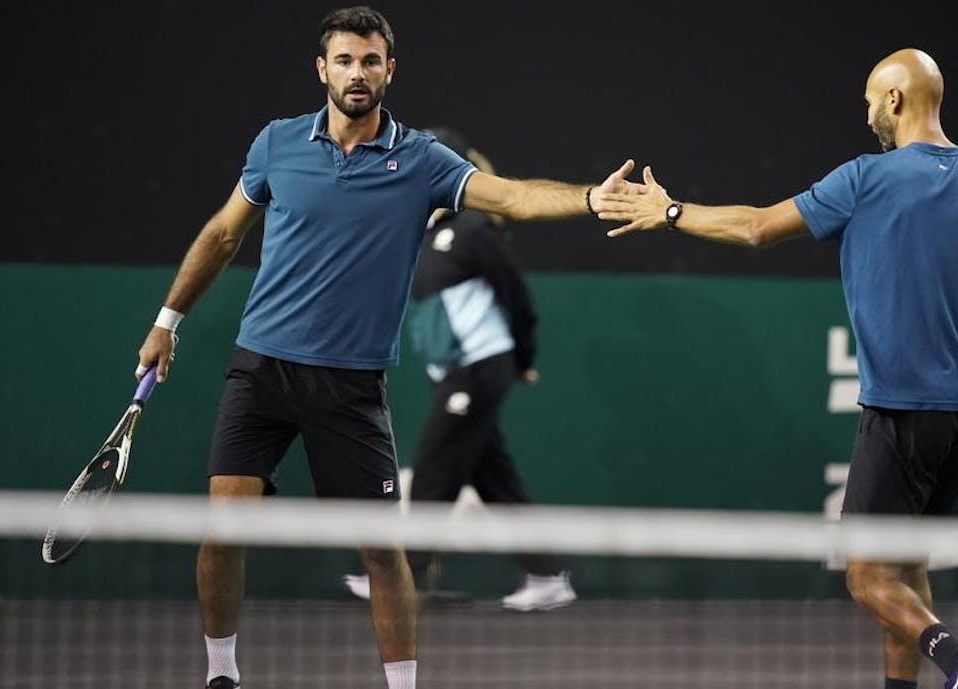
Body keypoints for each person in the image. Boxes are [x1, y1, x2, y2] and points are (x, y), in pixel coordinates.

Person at [133, 7, 638, 689]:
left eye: (371, 61)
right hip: (262, 367)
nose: (357, 73)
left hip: (349, 385)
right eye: (344, 60)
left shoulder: (423, 161)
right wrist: (168, 319)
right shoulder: (277, 144)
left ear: (389, 70)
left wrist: (588, 198)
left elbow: (513, 198)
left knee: (382, 551)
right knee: (223, 527)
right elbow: (224, 234)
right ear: (322, 69)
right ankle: (221, 674)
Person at [597, 48, 958, 689]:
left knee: (866, 576)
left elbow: (758, 228)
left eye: (872, 99)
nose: (869, 112)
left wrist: (672, 212)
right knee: (905, 570)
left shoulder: (865, 178)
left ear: (897, 100)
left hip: (902, 412)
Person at [341, 126, 577, 612]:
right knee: (495, 478)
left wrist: (524, 360)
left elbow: (518, 298)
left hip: (480, 370)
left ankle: (398, 576)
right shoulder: (416, 234)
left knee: (434, 470)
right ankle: (548, 577)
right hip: (452, 374)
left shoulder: (474, 231)